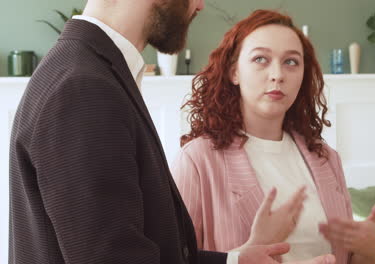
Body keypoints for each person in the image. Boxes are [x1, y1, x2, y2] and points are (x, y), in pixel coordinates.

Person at [8, 1, 335, 264]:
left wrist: (235, 261)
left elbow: (147, 249)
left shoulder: (87, 70)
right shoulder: (83, 87)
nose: (200, 5)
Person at [172, 9, 375, 264]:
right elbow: (173, 258)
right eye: (261, 59)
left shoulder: (327, 159)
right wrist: (250, 249)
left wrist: (371, 254)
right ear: (234, 72)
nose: (278, 75)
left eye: (291, 62)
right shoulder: (197, 160)